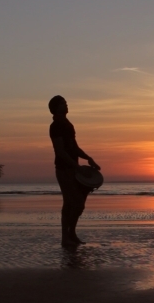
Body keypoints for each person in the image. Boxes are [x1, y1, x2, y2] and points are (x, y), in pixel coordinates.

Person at [48, 95, 101, 247]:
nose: (66, 104)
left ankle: (72, 234)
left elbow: (74, 148)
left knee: (79, 204)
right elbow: (60, 151)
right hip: (64, 169)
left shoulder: (68, 125)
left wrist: (88, 158)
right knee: (70, 203)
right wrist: (77, 167)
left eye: (65, 102)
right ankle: (65, 237)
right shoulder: (56, 126)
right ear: (55, 108)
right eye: (63, 103)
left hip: (74, 169)